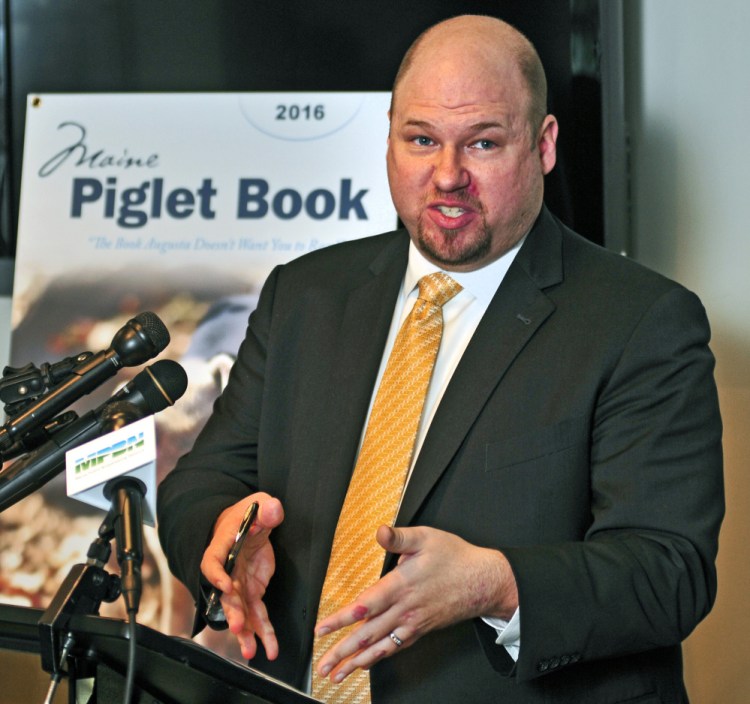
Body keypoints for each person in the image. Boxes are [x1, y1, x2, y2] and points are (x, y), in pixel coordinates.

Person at [157, 15, 724, 703]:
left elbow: (670, 572)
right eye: (421, 140)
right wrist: (223, 540)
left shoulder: (641, 321)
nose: (447, 176)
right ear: (390, 135)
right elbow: (203, 482)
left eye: (482, 143)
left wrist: (497, 584)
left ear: (543, 145)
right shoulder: (304, 294)